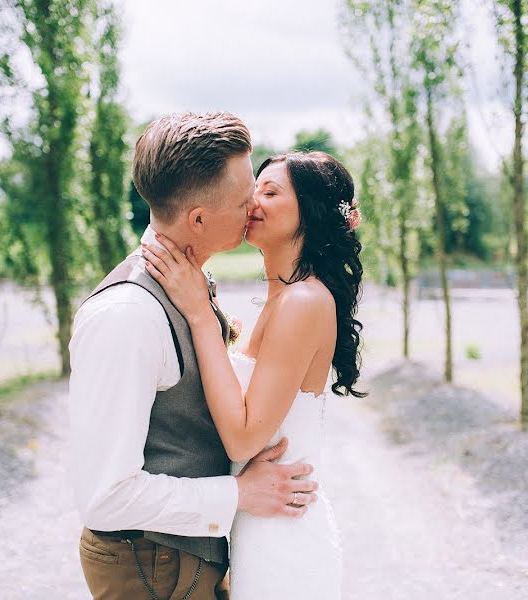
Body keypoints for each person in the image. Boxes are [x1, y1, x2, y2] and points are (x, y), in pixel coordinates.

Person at [68, 113, 319, 600]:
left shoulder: (185, 286)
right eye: (245, 195)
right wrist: (240, 495)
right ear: (199, 219)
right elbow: (104, 497)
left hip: (179, 563)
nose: (255, 204)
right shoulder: (127, 315)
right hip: (148, 568)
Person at [142, 150, 365, 599]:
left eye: (271, 191)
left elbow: (244, 440)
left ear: (311, 213)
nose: (252, 201)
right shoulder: (279, 300)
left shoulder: (303, 302)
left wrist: (201, 316)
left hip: (284, 542)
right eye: (253, 189)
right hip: (257, 526)